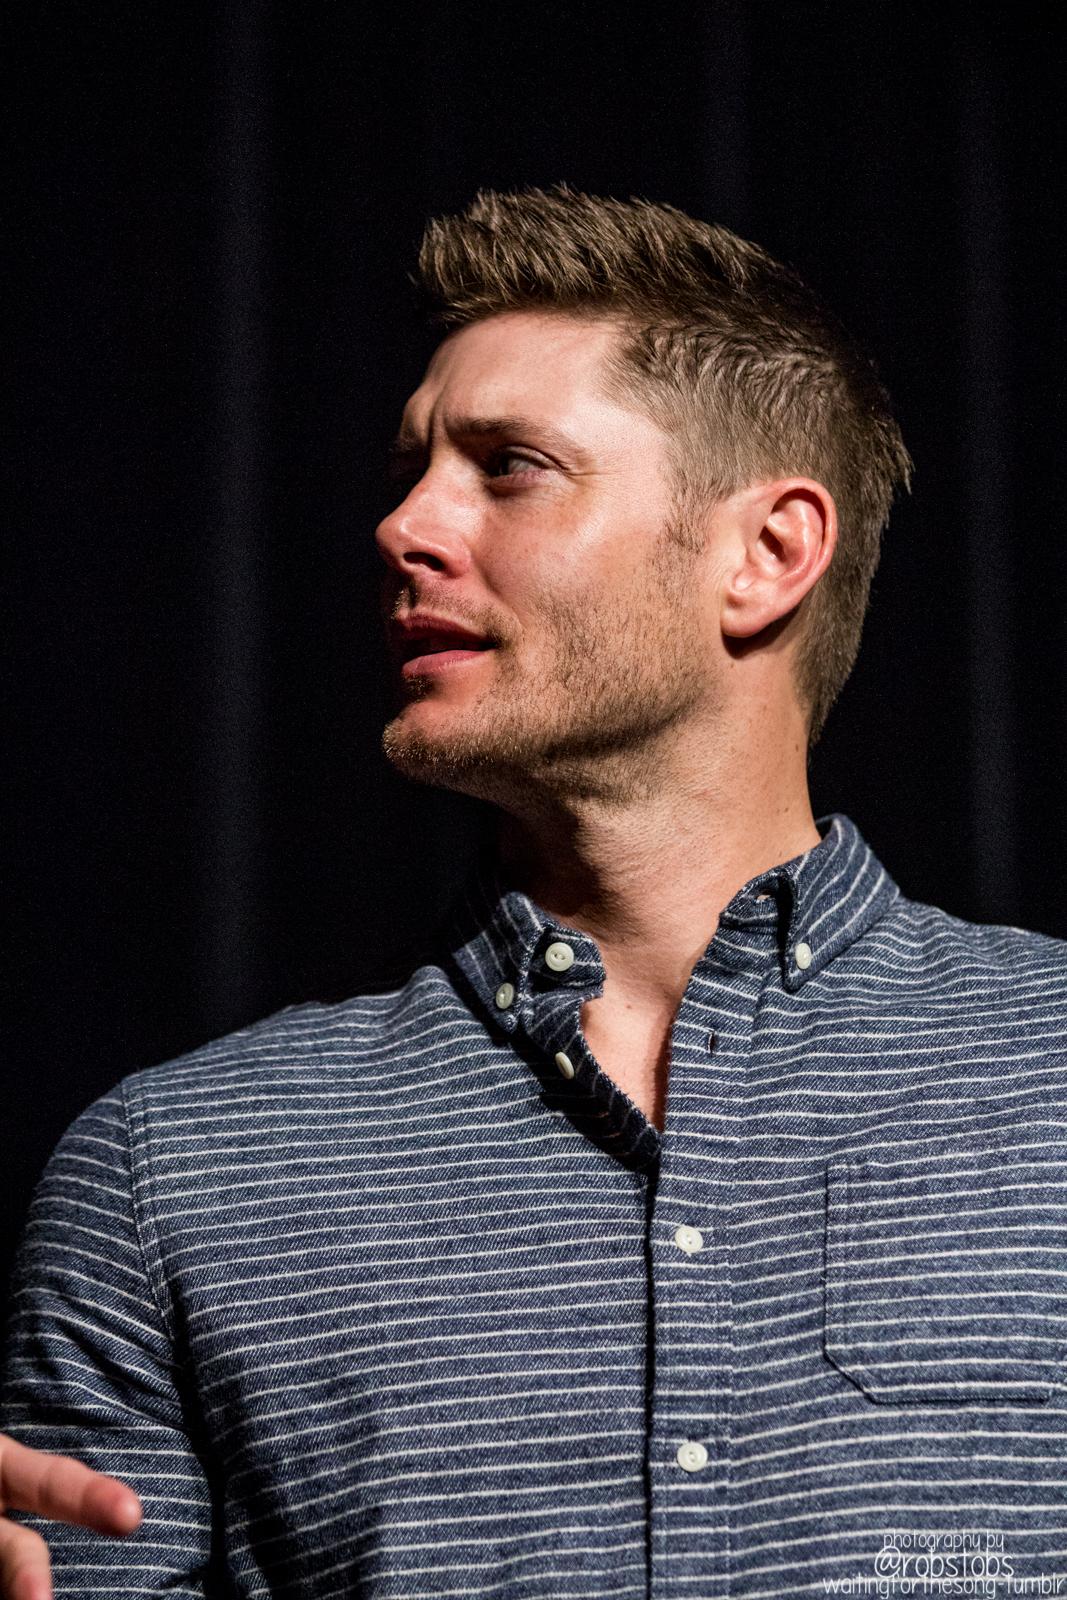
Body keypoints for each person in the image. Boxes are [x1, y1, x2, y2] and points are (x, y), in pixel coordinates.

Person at [4, 183, 1066, 1599]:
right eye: (410, 469)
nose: (403, 526)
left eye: (508, 467)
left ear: (767, 556)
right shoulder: (172, 1177)